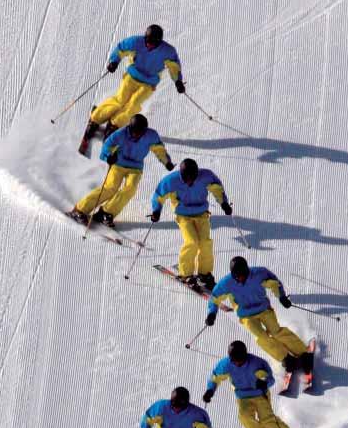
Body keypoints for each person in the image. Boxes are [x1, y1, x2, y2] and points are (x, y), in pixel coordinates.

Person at [79, 24, 185, 155]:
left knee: (133, 104)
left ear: (159, 42)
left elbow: (174, 66)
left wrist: (178, 81)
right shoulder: (136, 42)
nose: (149, 45)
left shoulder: (168, 51)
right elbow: (121, 48)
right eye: (148, 42)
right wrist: (114, 61)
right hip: (132, 75)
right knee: (120, 99)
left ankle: (114, 124)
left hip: (148, 83)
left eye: (153, 44)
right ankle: (95, 119)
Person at [202, 340, 311, 428]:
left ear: (245, 355)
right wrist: (210, 390)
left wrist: (263, 383)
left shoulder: (256, 363)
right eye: (235, 361)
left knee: (267, 419)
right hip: (243, 396)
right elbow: (215, 377)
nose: (238, 363)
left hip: (259, 394)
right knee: (245, 418)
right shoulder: (226, 365)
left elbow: (269, 379)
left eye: (240, 360)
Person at [205, 256, 312, 371]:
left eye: (243, 275)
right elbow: (214, 298)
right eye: (237, 276)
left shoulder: (259, 273)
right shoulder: (226, 283)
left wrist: (281, 297)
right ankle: (285, 358)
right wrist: (212, 313)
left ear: (247, 270)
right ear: (233, 275)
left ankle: (303, 353)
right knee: (261, 337)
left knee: (276, 331)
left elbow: (275, 282)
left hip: (264, 309)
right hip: (246, 315)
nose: (241, 278)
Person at [69, 114, 173, 228]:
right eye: (135, 132)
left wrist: (166, 161)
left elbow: (159, 149)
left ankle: (106, 212)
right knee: (110, 188)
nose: (137, 136)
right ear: (130, 128)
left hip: (136, 167)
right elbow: (107, 146)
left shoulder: (151, 135)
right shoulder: (121, 134)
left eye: (141, 133)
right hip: (118, 163)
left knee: (130, 189)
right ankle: (80, 210)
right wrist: (108, 156)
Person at [149, 158, 231, 289]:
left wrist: (224, 203)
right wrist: (156, 210)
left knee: (205, 243)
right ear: (181, 174)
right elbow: (159, 195)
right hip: (183, 215)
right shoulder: (171, 180)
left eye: (192, 177)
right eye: (186, 178)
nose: (190, 181)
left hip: (202, 214)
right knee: (192, 242)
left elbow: (217, 188)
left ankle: (204, 274)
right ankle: (185, 274)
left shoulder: (206, 176)